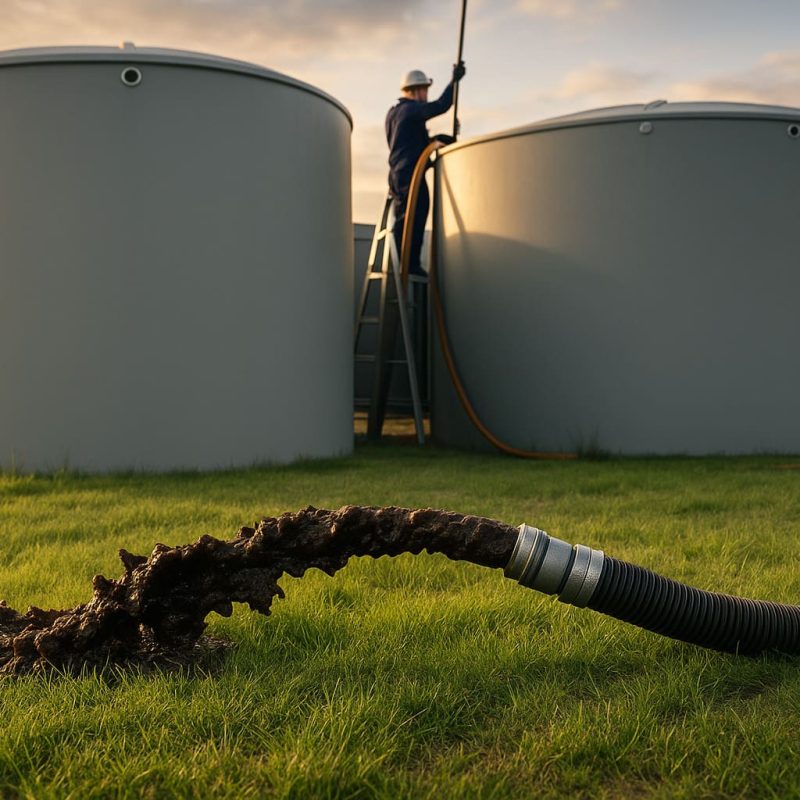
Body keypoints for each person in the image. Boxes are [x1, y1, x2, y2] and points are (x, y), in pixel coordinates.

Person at [385, 62, 466, 275]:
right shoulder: (410, 110)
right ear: (416, 90)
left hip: (399, 175)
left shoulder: (394, 113)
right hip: (409, 175)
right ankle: (408, 266)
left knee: (408, 215)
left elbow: (415, 145)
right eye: (425, 90)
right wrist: (454, 82)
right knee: (416, 212)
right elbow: (441, 105)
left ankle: (404, 264)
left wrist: (444, 139)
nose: (426, 95)